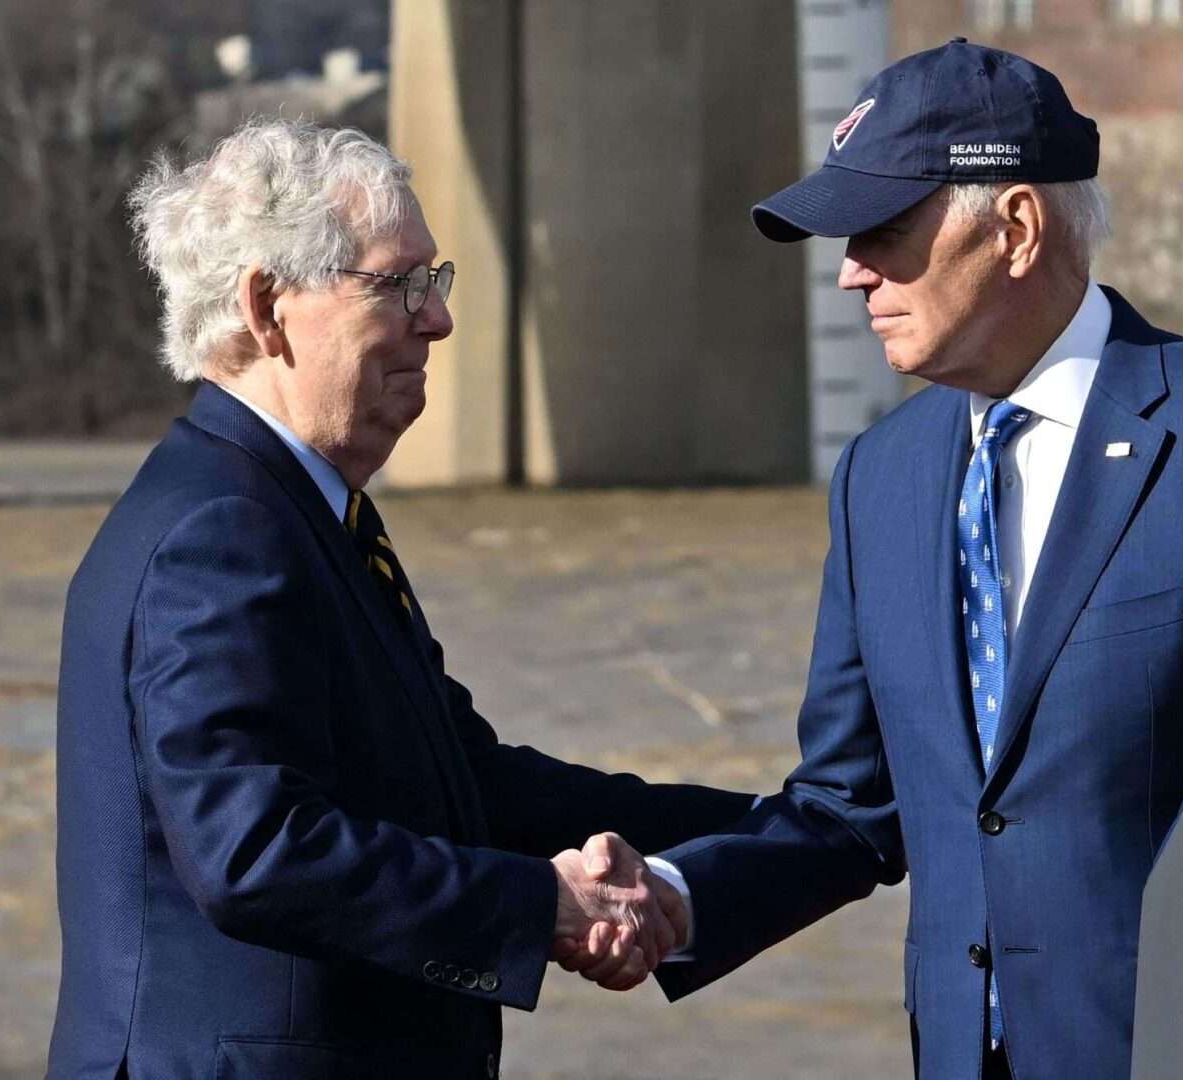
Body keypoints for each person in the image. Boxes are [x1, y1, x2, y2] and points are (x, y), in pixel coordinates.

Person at [627, 39, 1183, 1080]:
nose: (849, 273)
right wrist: (677, 895)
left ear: (1015, 227)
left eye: (882, 231)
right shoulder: (877, 480)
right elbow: (851, 807)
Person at [45, 118, 752, 1080]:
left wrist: (768, 827)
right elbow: (251, 849)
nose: (439, 319)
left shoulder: (296, 511)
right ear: (266, 307)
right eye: (399, 285)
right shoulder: (223, 531)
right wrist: (540, 908)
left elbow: (468, 785)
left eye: (437, 282)